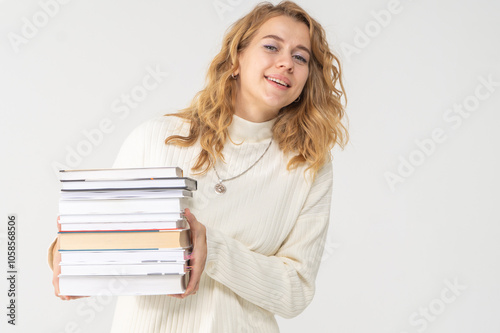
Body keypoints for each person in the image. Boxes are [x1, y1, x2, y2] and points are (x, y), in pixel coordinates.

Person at [48, 1, 349, 332]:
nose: (286, 63)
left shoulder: (309, 167)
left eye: (300, 57)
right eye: (271, 46)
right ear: (236, 58)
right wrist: (68, 254)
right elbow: (99, 241)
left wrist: (213, 250)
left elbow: (295, 292)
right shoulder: (156, 138)